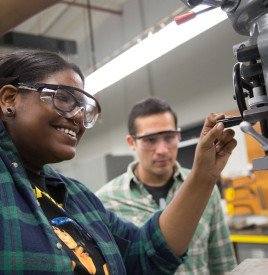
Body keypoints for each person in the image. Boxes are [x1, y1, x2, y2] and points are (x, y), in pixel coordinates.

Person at [0, 49, 236, 274]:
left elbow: (144, 254)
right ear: (9, 99)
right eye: (63, 98)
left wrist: (203, 176)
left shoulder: (79, 198)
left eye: (83, 107)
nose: (79, 116)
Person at [96, 97, 237, 274]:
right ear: (132, 142)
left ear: (178, 136)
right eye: (150, 140)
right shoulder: (105, 201)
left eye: (169, 137)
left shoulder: (205, 189)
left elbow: (222, 262)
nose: (162, 150)